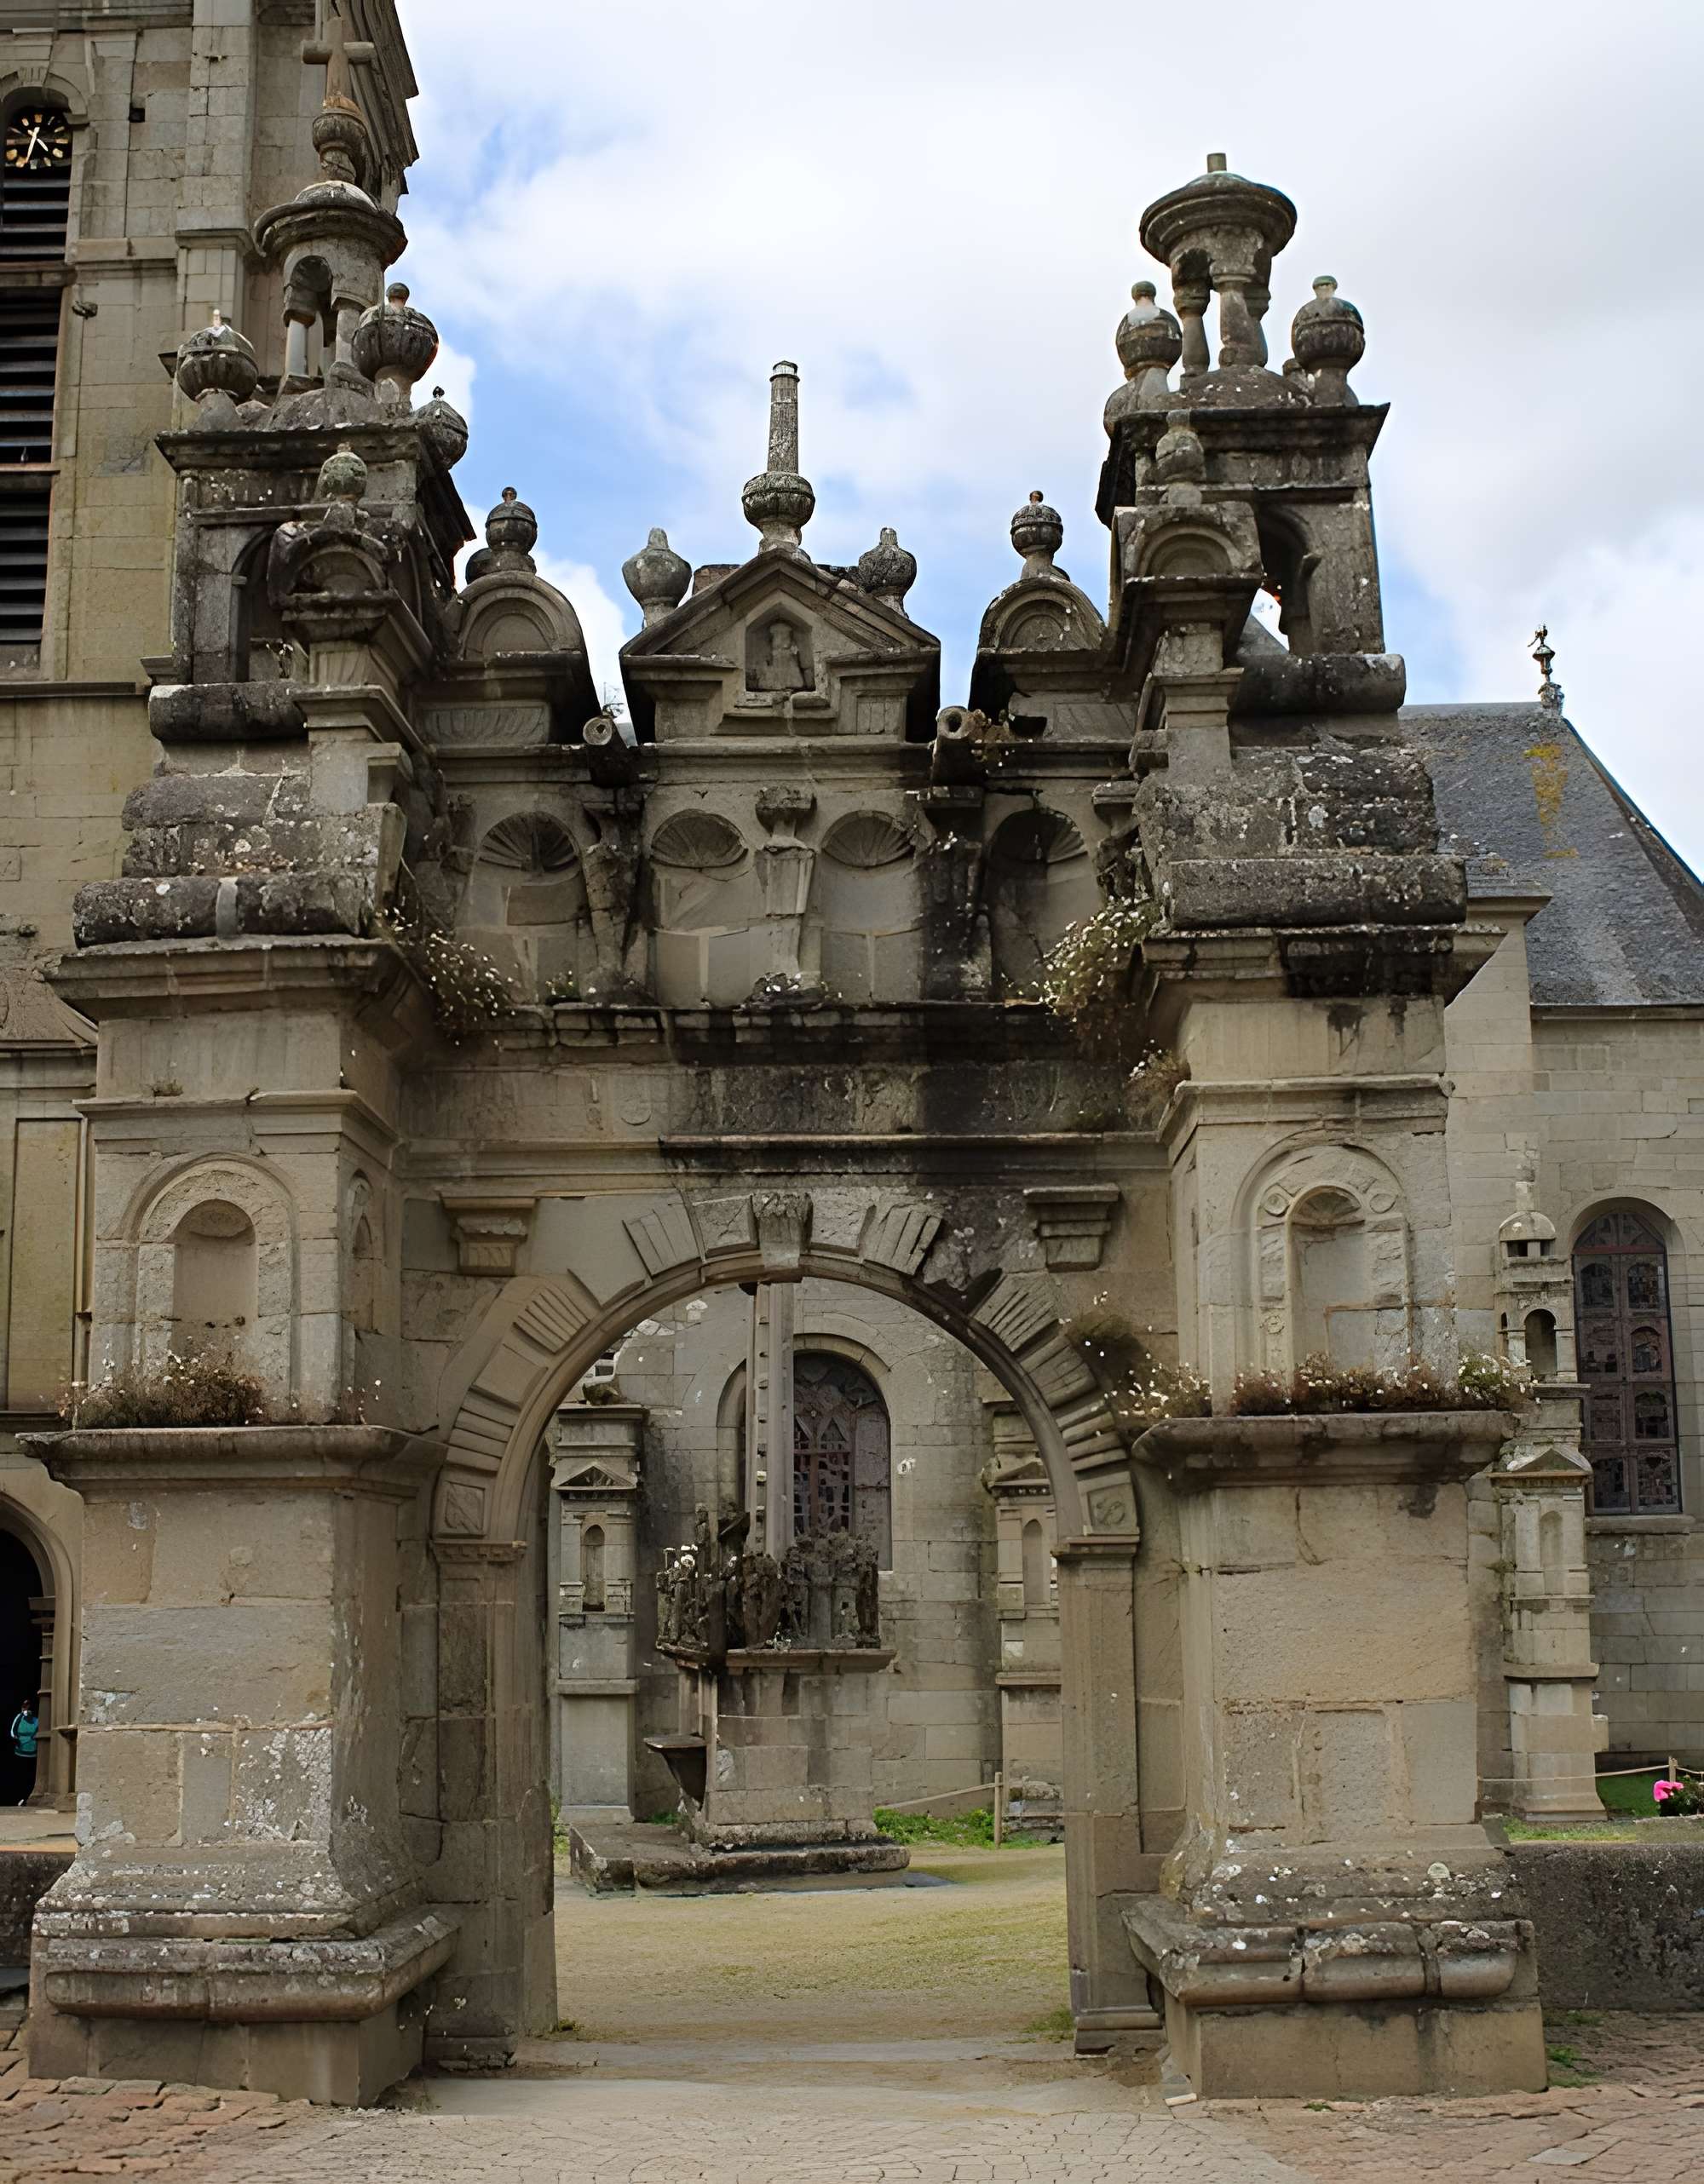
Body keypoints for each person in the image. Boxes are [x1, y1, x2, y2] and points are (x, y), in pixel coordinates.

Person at [9, 1699, 36, 1802]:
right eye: (24, 1706)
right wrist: (16, 1740)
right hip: (20, 1751)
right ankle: (19, 1798)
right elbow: (12, 1731)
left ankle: (26, 1798)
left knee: (30, 1776)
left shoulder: (36, 1719)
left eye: (27, 1706)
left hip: (33, 1752)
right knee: (20, 1776)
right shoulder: (20, 1717)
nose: (26, 1708)